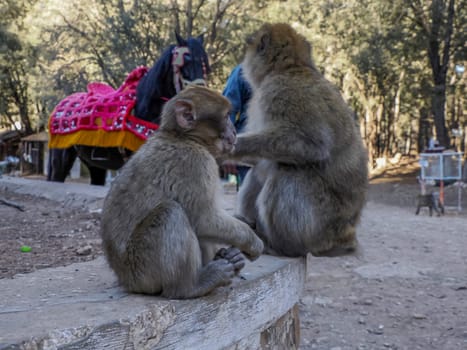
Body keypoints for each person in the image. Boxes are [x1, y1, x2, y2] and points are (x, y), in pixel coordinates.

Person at [222, 64, 252, 187]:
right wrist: (226, 152)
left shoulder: (294, 74)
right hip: (249, 156)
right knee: (250, 202)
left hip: (282, 159)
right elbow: (227, 112)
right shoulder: (243, 71)